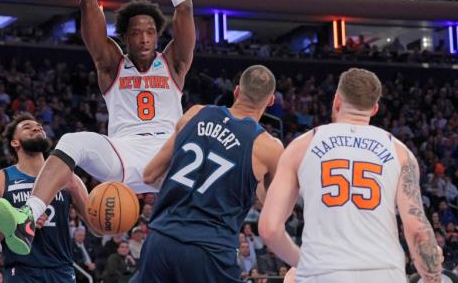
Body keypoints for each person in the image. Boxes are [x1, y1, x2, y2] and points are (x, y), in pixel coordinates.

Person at [0, 0, 196, 254]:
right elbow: (88, 3)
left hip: (167, 155)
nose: (144, 39)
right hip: (123, 154)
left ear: (158, 36)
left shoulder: (174, 62)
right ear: (125, 38)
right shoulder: (112, 63)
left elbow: (184, 8)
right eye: (136, 33)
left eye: (150, 33)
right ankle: (28, 217)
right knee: (72, 141)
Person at [259, 68, 443, 283]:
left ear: (337, 101)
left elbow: (269, 228)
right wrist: (434, 279)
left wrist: (304, 263)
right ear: (374, 109)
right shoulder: (401, 152)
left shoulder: (301, 146)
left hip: (323, 272)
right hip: (384, 272)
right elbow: (417, 229)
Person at [130, 65, 284, 282]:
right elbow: (274, 208)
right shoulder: (269, 148)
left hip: (161, 239)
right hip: (210, 250)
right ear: (270, 101)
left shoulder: (195, 113)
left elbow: (149, 175)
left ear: (237, 91)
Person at [0, 113, 90, 282]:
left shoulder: (68, 178)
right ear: (15, 142)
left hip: (62, 271)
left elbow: (97, 228)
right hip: (22, 272)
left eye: (39, 126)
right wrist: (14, 223)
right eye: (27, 127)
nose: (36, 127)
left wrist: (76, 190)